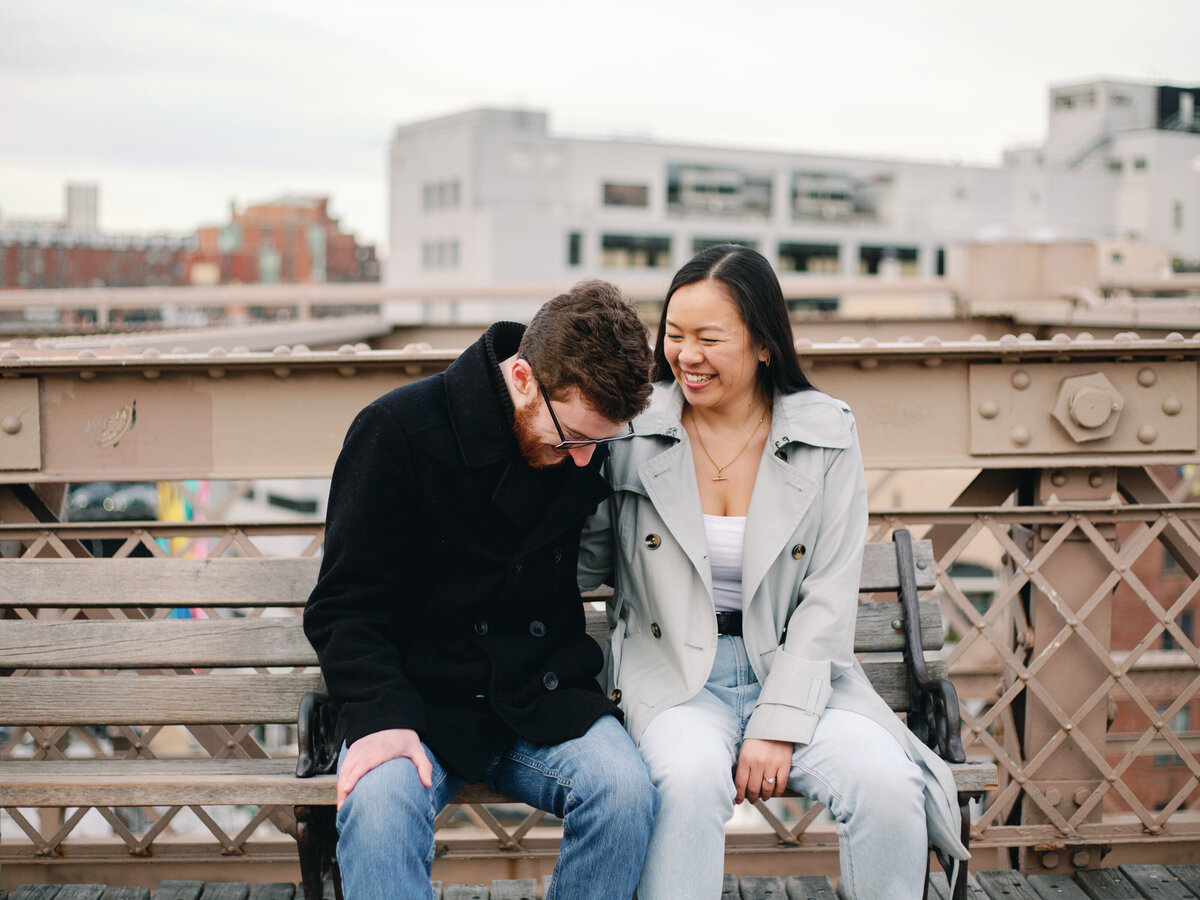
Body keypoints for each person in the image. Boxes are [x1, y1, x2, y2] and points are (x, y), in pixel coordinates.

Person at [578, 245, 969, 899]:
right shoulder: (631, 431)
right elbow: (582, 561)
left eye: (708, 338)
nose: (685, 355)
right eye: (674, 335)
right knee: (688, 780)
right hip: (672, 676)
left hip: (800, 676)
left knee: (885, 783)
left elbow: (828, 594)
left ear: (763, 344)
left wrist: (778, 722)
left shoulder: (827, 434)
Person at [305, 280, 658, 900]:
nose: (584, 461)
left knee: (625, 792)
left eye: (598, 444)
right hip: (416, 700)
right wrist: (380, 715)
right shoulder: (396, 430)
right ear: (522, 377)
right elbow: (344, 603)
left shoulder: (577, 437)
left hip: (537, 696)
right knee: (380, 807)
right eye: (571, 439)